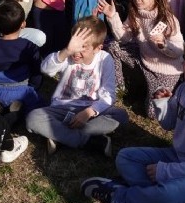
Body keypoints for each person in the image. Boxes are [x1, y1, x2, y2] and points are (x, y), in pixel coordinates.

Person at [81, 35, 185, 203]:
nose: (181, 63)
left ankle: (119, 195)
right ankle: (149, 195)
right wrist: (163, 104)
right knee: (126, 158)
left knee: (166, 198)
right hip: (178, 158)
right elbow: (168, 124)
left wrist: (167, 171)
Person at [26, 17, 129, 156]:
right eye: (74, 45)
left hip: (90, 110)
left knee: (120, 115)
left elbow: (108, 94)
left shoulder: (105, 59)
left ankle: (60, 135)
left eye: (83, 48)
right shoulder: (67, 55)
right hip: (62, 109)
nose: (76, 52)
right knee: (33, 118)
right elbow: (45, 69)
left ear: (98, 48)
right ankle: (88, 141)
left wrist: (89, 112)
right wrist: (66, 51)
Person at [100, 0, 184, 118]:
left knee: (152, 113)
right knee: (113, 46)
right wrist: (113, 16)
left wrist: (164, 44)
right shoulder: (136, 13)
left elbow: (179, 51)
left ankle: (173, 93)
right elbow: (123, 38)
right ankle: (120, 87)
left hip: (165, 71)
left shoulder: (167, 19)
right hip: (143, 62)